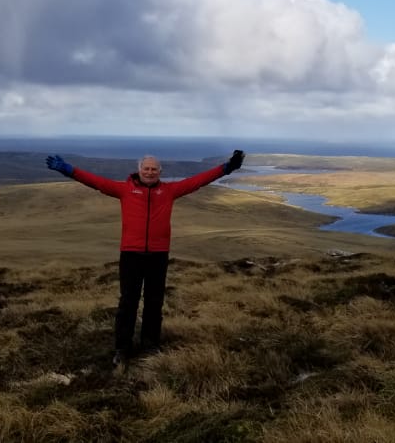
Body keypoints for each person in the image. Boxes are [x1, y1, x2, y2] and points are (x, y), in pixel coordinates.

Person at [45, 149, 245, 366]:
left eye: (154, 169)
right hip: (131, 254)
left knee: (154, 302)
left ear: (160, 171)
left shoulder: (169, 191)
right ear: (139, 170)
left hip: (158, 255)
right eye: (146, 169)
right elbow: (95, 181)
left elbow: (198, 181)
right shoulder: (124, 190)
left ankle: (150, 345)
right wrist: (69, 170)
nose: (150, 172)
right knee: (128, 303)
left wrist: (226, 168)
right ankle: (122, 348)